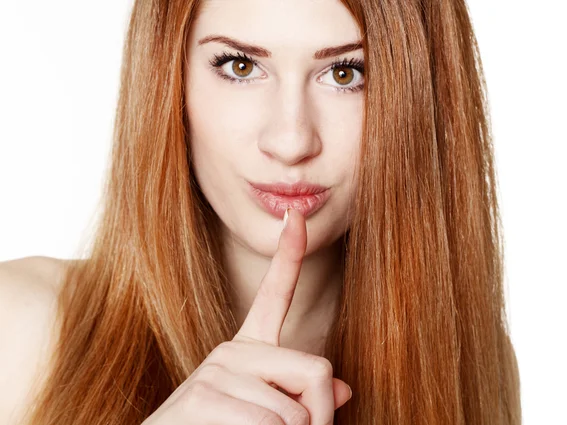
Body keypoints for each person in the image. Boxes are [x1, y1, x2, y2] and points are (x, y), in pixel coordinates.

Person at [0, 0, 522, 424]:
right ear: (169, 79)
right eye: (240, 66)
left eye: (346, 73)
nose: (291, 140)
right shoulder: (19, 325)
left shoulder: (475, 362)